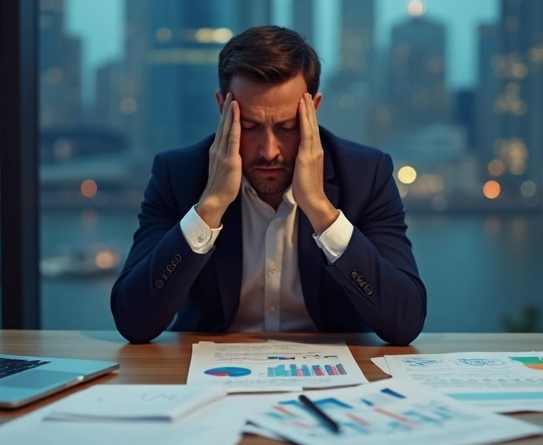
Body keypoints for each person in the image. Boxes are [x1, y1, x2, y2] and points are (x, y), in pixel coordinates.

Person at [110, 26, 426, 345]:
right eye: (249, 126)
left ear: (313, 109)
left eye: (287, 127)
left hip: (331, 372)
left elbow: (405, 323)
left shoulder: (365, 174)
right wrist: (210, 205)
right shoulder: (177, 174)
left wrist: (321, 209)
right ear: (222, 107)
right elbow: (133, 322)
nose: (269, 151)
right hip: (209, 373)